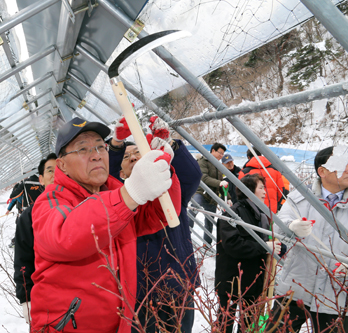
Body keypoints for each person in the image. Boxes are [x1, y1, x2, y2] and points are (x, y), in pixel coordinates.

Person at [30, 117, 181, 333]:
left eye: (101, 146)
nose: (96, 155)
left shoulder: (112, 191)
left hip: (120, 323)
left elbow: (159, 214)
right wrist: (129, 194)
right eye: (83, 149)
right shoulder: (51, 200)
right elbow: (66, 236)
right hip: (68, 326)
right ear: (61, 164)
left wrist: (163, 168)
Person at [108, 115, 202, 333]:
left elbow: (192, 175)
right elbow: (107, 180)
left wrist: (171, 148)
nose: (132, 156)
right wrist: (115, 147)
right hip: (139, 291)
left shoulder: (171, 191)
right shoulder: (119, 201)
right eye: (126, 156)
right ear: (121, 173)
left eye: (137, 153)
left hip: (177, 285)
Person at [270, 146, 348, 332]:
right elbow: (278, 226)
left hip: (335, 293)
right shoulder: (299, 198)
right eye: (342, 164)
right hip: (295, 286)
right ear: (322, 171)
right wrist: (291, 227)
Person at [215, 174, 282, 333]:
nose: (265, 192)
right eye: (261, 188)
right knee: (225, 323)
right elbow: (232, 245)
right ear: (249, 191)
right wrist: (264, 246)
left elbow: (268, 243)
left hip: (253, 280)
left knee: (247, 324)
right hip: (231, 279)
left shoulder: (263, 216)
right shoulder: (232, 214)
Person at [13, 153, 56, 325]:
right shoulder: (30, 216)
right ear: (41, 179)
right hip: (45, 296)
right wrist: (26, 298)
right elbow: (22, 259)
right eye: (50, 170)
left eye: (60, 169)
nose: (55, 174)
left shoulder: (82, 206)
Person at [192, 142, 231, 246]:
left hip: (212, 197)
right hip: (201, 192)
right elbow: (203, 178)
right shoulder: (203, 161)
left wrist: (228, 198)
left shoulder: (218, 166)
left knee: (209, 221)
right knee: (193, 209)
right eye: (220, 153)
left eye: (223, 154)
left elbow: (221, 182)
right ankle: (185, 234)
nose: (221, 156)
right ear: (213, 151)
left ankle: (207, 245)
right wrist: (219, 183)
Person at [238, 149, 285, 213]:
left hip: (251, 210)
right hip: (271, 210)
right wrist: (275, 203)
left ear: (249, 157)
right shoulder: (275, 170)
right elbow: (281, 190)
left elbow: (240, 193)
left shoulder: (244, 172)